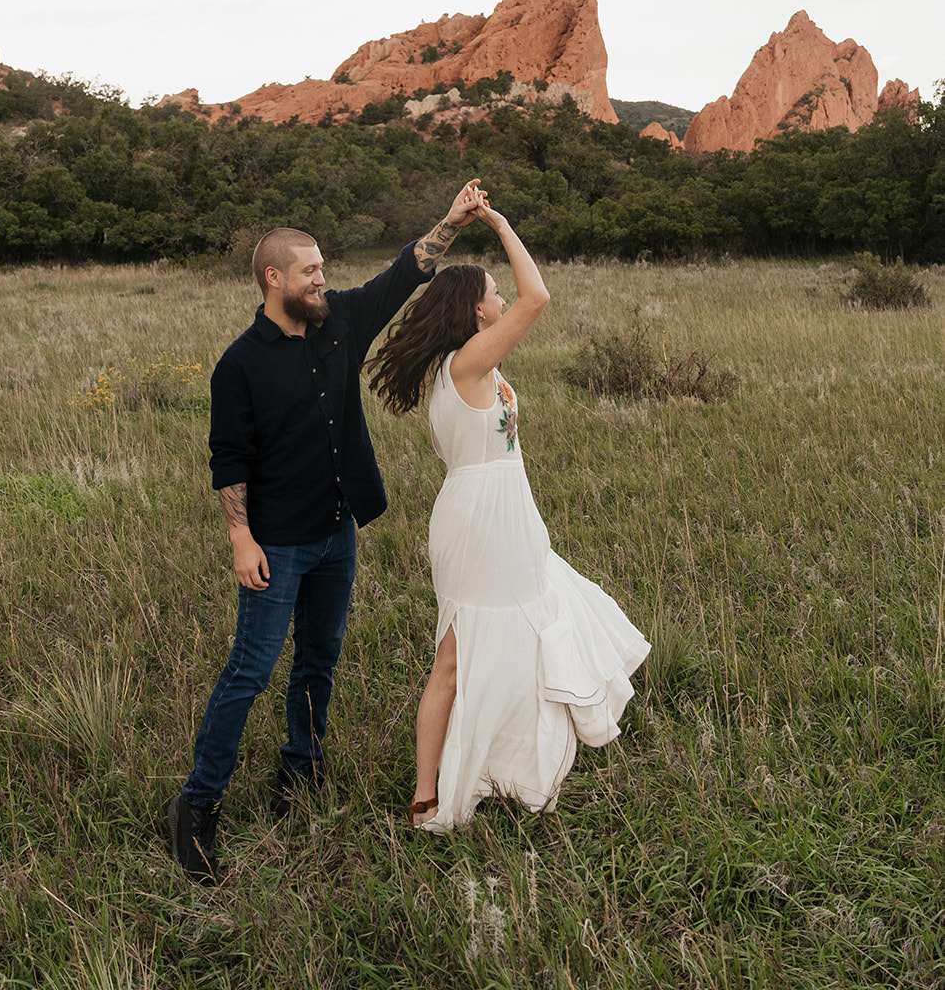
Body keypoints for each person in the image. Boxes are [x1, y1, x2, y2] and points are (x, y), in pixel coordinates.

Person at [168, 181, 484, 881]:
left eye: (323, 270)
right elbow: (229, 457)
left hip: (336, 532)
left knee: (318, 661)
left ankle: (298, 776)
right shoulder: (239, 363)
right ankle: (197, 805)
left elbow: (406, 271)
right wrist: (240, 538)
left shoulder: (340, 320)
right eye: (310, 271)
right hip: (276, 541)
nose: (323, 279)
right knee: (249, 672)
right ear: (273, 278)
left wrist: (453, 220)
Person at [370, 189, 650, 829]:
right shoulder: (466, 364)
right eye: (492, 294)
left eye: (499, 293)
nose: (502, 301)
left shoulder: (467, 367)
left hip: (504, 514)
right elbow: (539, 298)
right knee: (456, 656)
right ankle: (426, 792)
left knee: (516, 636)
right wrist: (496, 223)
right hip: (479, 523)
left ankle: (504, 765)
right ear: (475, 311)